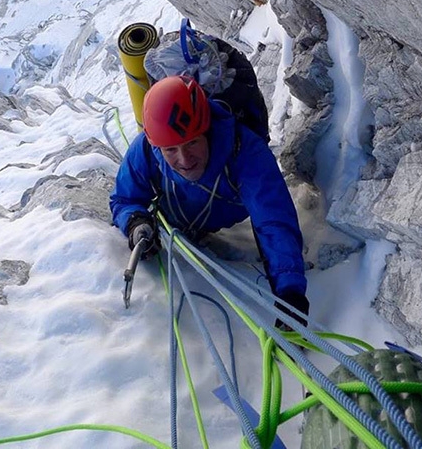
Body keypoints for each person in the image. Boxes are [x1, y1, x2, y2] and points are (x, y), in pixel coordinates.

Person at [109, 75, 309, 327]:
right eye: (171, 149)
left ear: (208, 129)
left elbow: (273, 219)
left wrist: (289, 292)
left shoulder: (245, 151)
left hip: (220, 212)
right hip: (179, 213)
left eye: (192, 142)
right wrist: (135, 222)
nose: (184, 159)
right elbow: (125, 198)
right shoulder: (146, 149)